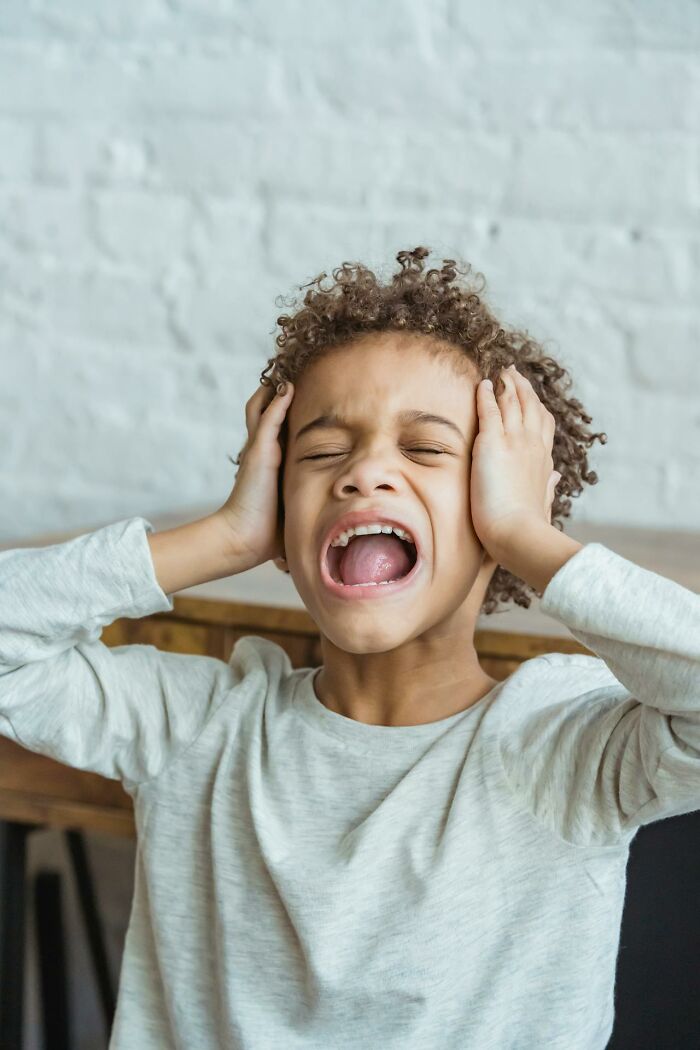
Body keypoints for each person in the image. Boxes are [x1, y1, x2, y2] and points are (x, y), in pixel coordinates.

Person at [1, 246, 698, 1049]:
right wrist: (225, 537)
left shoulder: (559, 748)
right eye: (322, 453)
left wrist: (525, 534)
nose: (365, 472)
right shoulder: (198, 728)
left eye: (426, 449)